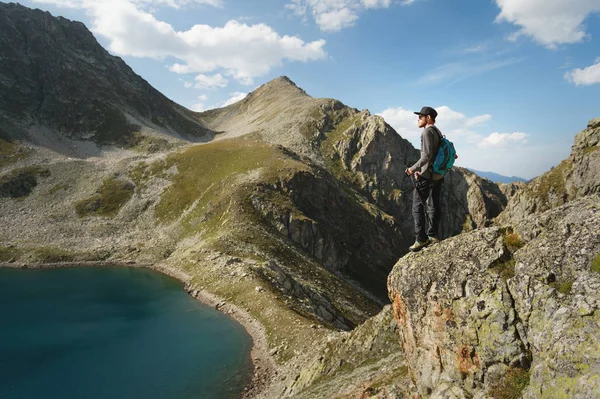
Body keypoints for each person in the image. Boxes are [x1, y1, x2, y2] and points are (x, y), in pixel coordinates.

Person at [405, 106, 445, 252]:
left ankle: (421, 239)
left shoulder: (427, 131)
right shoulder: (437, 131)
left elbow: (426, 156)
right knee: (434, 203)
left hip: (427, 175)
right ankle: (433, 235)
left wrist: (412, 169)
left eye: (421, 116)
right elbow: (433, 155)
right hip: (438, 175)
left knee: (417, 206)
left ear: (428, 118)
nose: (418, 119)